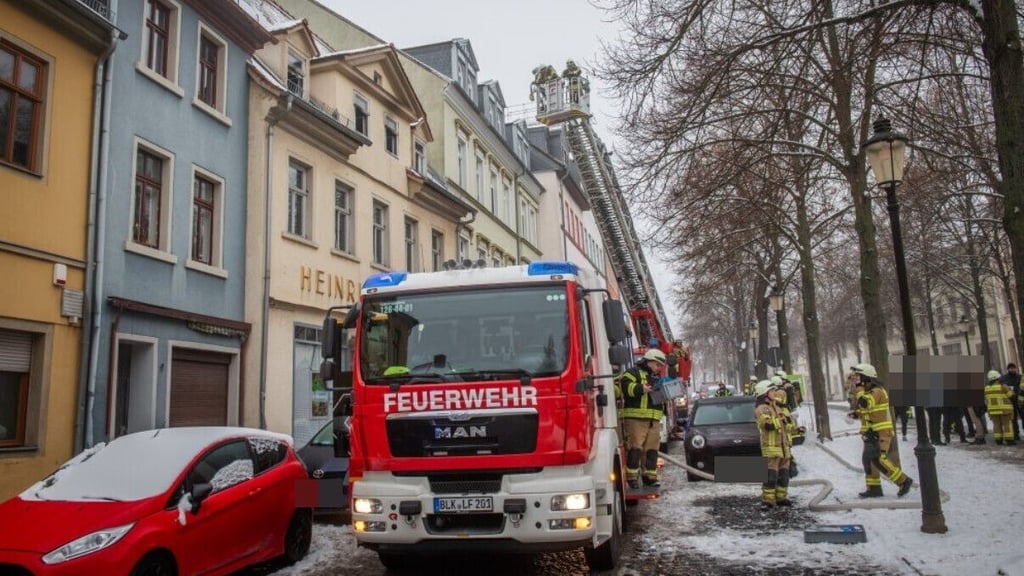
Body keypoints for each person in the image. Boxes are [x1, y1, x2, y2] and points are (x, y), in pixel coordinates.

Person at [848, 363, 913, 498]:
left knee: (879, 460)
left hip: (881, 433)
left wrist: (859, 390)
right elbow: (866, 410)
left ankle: (904, 481)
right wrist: (855, 414)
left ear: (866, 377)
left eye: (858, 376)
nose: (856, 379)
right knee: (868, 461)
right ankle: (874, 488)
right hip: (871, 434)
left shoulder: (877, 391)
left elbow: (866, 403)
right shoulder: (868, 392)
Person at [617, 348, 669, 488]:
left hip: (654, 419)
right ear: (649, 361)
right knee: (635, 448)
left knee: (652, 449)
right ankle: (632, 478)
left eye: (660, 366)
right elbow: (625, 386)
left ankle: (650, 477)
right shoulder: (632, 373)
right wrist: (641, 388)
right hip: (636, 419)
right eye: (657, 365)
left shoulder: (657, 378)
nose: (659, 368)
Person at [754, 380, 791, 509]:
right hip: (771, 448)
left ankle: (781, 498)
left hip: (783, 448)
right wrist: (780, 420)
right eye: (772, 391)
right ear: (765, 393)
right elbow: (767, 425)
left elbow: (786, 425)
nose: (775, 393)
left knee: (784, 475)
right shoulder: (762, 408)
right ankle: (768, 500)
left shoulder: (776, 407)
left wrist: (795, 428)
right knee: (771, 476)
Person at [984, 369, 1015, 445]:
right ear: (997, 378)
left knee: (996, 425)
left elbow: (986, 399)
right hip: (1005, 410)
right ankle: (1009, 440)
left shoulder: (986, 388)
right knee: (1007, 424)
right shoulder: (1003, 386)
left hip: (993, 411)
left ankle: (998, 440)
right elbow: (1011, 395)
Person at [1004, 363, 1022, 441]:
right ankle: (1016, 434)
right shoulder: (1004, 378)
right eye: (1010, 368)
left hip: (1020, 400)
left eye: (1013, 368)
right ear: (1008, 369)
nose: (1012, 369)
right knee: (1013, 419)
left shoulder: (1020, 377)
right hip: (1010, 401)